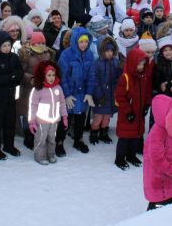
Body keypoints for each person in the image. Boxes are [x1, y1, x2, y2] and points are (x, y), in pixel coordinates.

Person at [143, 94, 172, 210]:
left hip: (170, 181)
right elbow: (157, 159)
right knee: (157, 213)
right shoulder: (157, 134)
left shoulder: (169, 129)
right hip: (159, 184)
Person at [57, 26, 95, 155]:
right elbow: (62, 76)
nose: (84, 44)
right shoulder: (66, 55)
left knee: (80, 116)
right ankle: (59, 141)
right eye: (81, 42)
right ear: (75, 41)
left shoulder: (89, 55)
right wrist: (66, 95)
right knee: (64, 117)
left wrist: (89, 93)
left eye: (85, 41)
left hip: (82, 92)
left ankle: (78, 139)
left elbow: (91, 75)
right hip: (68, 92)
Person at [114, 47, 152, 170]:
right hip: (128, 115)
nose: (141, 66)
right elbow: (120, 97)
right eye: (139, 64)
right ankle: (120, 158)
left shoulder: (142, 76)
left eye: (143, 64)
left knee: (136, 136)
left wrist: (146, 104)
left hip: (139, 113)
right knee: (125, 138)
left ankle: (131, 155)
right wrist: (128, 111)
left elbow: (146, 92)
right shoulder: (125, 78)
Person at [0, 30, 24, 159]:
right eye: (4, 45)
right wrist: (11, 77)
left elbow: (20, 72)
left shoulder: (14, 57)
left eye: (9, 45)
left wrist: (13, 77)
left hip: (11, 95)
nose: (7, 48)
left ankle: (9, 145)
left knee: (10, 121)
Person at [28, 61, 68, 165]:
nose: (51, 78)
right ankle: (39, 156)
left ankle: (50, 154)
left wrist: (64, 116)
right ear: (43, 75)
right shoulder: (38, 89)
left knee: (52, 139)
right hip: (41, 121)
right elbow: (33, 106)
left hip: (54, 120)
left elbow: (62, 102)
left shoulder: (58, 88)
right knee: (41, 139)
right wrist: (32, 121)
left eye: (53, 75)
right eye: (49, 75)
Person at [90, 36, 121, 144]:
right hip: (101, 95)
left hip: (111, 95)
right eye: (107, 51)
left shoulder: (115, 62)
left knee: (107, 117)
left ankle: (104, 132)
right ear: (101, 51)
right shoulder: (97, 63)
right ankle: (94, 132)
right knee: (98, 117)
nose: (109, 53)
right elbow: (94, 80)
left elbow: (118, 78)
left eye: (111, 50)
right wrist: (99, 94)